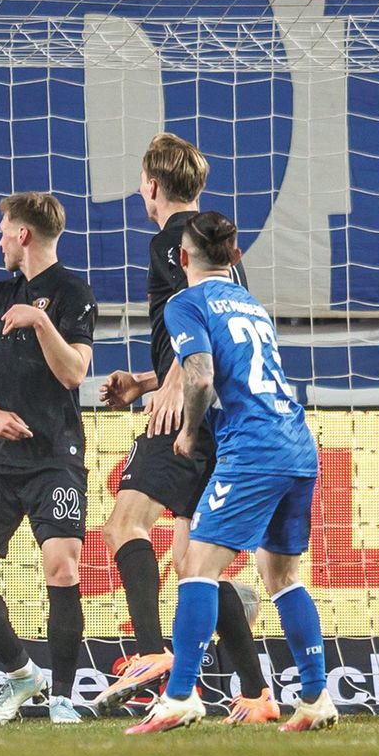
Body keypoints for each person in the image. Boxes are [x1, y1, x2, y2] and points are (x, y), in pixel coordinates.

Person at [126, 211, 334, 734]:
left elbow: (198, 379)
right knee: (282, 575)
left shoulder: (184, 303)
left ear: (181, 257)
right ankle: (315, 696)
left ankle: (179, 697)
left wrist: (191, 433)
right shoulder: (251, 304)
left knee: (197, 565)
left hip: (254, 448)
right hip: (298, 445)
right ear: (236, 258)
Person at [95, 134, 273, 721]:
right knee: (195, 562)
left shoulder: (171, 242)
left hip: (187, 413)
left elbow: (193, 333)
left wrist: (169, 388)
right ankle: (255, 693)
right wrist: (146, 381)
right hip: (220, 413)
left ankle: (150, 653)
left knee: (126, 524)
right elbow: (215, 332)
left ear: (151, 185)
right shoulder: (214, 246)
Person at [0, 192, 96, 726]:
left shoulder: (73, 292)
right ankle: (20, 675)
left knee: (62, 566)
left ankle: (61, 696)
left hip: (54, 454)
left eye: (4, 229)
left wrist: (39, 321)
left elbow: (75, 373)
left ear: (24, 235)